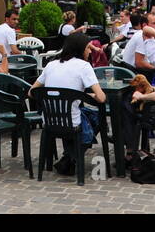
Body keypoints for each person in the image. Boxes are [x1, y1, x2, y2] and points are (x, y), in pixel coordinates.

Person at [31, 33, 105, 175]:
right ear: (80, 49)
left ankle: (69, 157)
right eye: (88, 48)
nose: (90, 51)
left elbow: (32, 92)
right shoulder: (84, 66)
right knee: (97, 117)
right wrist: (81, 95)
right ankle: (72, 156)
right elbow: (101, 98)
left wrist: (75, 95)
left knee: (84, 114)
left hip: (50, 120)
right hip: (71, 122)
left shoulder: (51, 65)